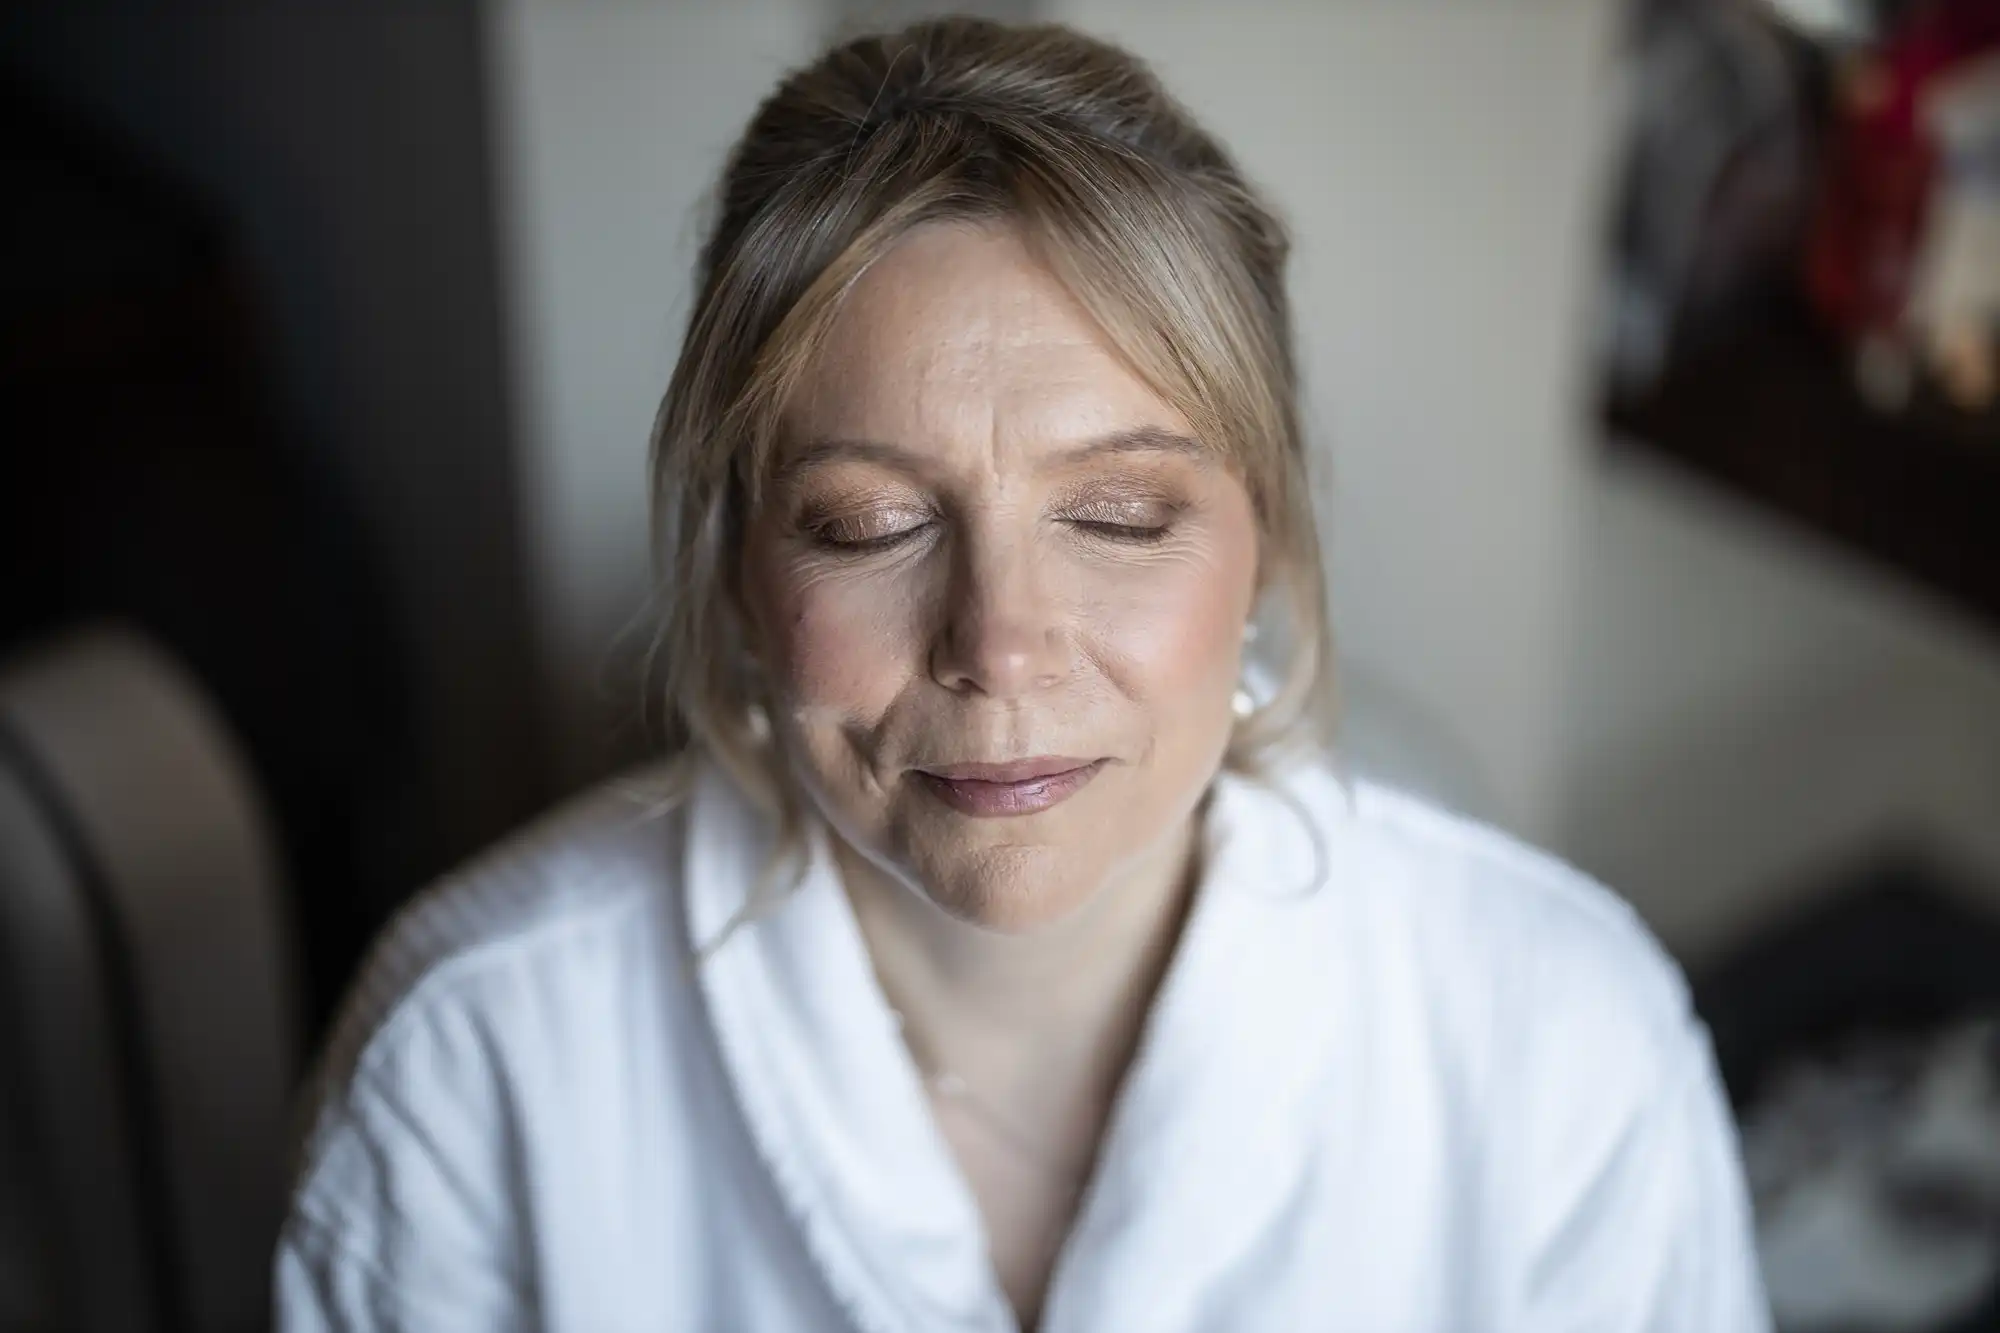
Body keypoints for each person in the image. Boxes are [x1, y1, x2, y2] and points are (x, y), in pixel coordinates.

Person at [275, 17, 1771, 1332]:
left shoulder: (1568, 1047)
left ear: (1269, 546)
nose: (997, 642)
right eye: (869, 526)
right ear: (740, 571)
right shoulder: (473, 1067)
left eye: (1117, 517)